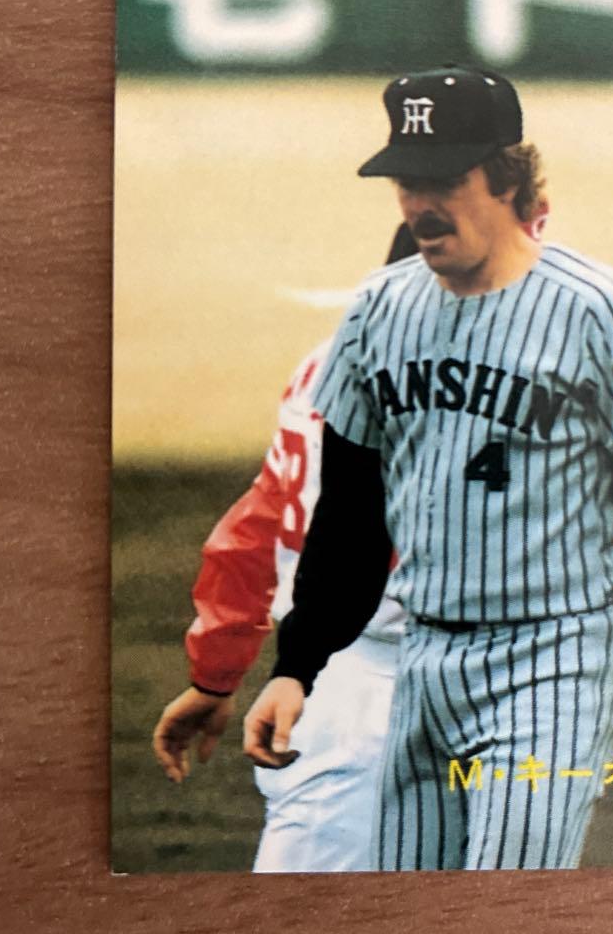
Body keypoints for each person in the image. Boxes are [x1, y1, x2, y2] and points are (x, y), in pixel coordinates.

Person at [243, 63, 613, 870]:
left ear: (508, 180)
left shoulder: (595, 306)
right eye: (407, 182)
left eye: (445, 181)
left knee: (506, 899)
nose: (421, 205)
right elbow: (350, 514)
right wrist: (297, 668)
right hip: (424, 664)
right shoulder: (378, 310)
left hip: (553, 662)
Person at [151, 225, 418, 872]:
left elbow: (258, 522)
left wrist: (215, 674)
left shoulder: (322, 363)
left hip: (330, 687)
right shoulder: (429, 384)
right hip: (381, 688)